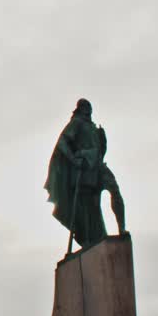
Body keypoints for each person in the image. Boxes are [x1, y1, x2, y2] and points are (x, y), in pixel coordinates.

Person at [44, 98, 126, 250]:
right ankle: (88, 239)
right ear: (80, 108)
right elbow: (62, 143)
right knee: (88, 203)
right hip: (85, 167)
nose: (88, 108)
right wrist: (74, 160)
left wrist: (102, 138)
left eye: (89, 105)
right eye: (85, 106)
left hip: (98, 166)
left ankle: (122, 228)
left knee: (115, 190)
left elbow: (101, 149)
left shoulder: (93, 127)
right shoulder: (76, 123)